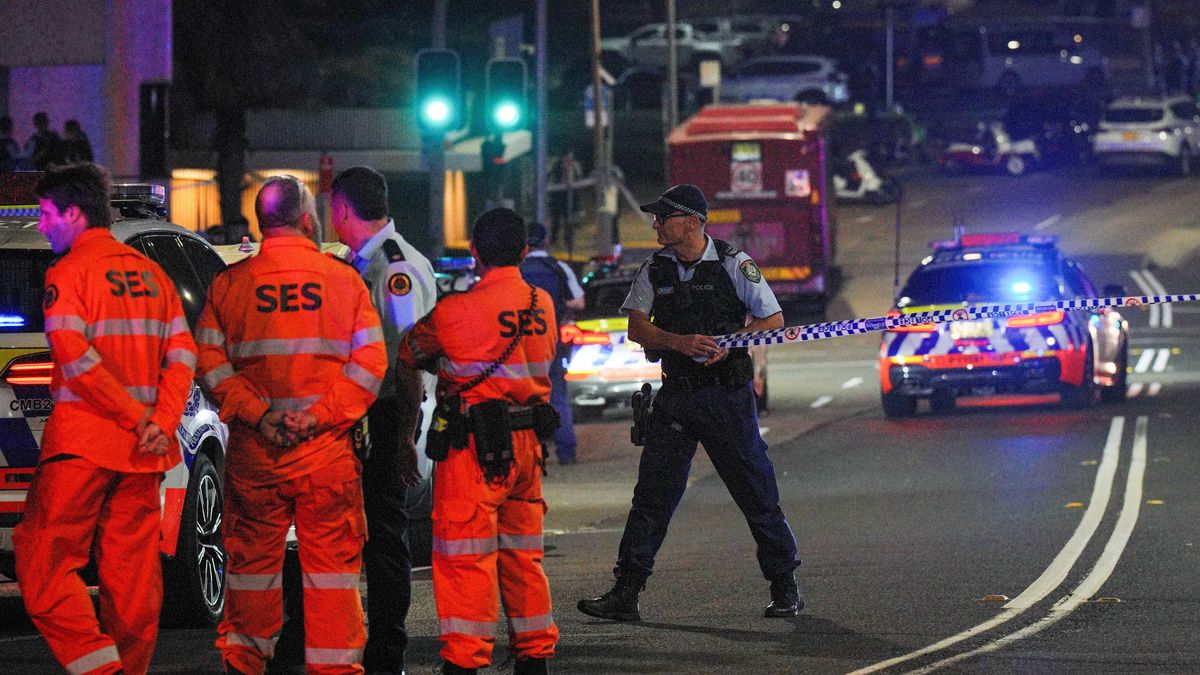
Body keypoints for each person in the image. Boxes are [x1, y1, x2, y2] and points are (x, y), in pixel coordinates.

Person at [577, 184, 802, 622]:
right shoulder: (655, 268)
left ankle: (785, 585)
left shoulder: (735, 264)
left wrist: (730, 344)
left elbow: (773, 319)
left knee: (755, 491)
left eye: (664, 217)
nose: (656, 224)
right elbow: (638, 328)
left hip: (725, 395)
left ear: (693, 222)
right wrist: (677, 342)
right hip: (677, 394)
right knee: (652, 496)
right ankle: (626, 592)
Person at [196, 175, 387, 675]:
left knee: (251, 576)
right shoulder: (344, 281)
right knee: (331, 581)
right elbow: (369, 365)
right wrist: (318, 416)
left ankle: (244, 665)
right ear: (307, 219)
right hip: (325, 455)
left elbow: (211, 368)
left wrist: (260, 415)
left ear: (262, 223)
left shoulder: (229, 285)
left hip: (256, 457)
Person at [14, 163, 197, 674]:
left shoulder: (68, 273)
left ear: (74, 213)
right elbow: (182, 354)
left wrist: (135, 416)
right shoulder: (152, 273)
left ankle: (98, 669)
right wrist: (158, 420)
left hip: (85, 446)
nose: (43, 223)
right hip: (145, 453)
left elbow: (75, 357)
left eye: (47, 214)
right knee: (133, 579)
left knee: (41, 560)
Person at [397, 208, 559, 675]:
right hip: (527, 448)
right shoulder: (541, 303)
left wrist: (408, 429)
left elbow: (410, 354)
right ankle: (534, 658)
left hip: (472, 452)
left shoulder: (454, 312)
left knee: (465, 563)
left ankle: (464, 665)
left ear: (473, 253)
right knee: (523, 559)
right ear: (525, 251)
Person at [330, 166, 437, 675]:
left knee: (385, 537)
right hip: (367, 413)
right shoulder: (364, 263)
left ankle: (387, 652)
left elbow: (408, 358)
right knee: (365, 532)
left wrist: (404, 438)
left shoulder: (394, 269)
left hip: (389, 411)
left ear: (342, 209)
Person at [519, 222, 584, 465]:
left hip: (520, 344)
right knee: (557, 396)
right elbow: (578, 302)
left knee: (523, 399)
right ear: (546, 242)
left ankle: (528, 455)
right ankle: (566, 452)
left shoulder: (517, 269)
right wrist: (557, 304)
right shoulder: (557, 268)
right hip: (551, 342)